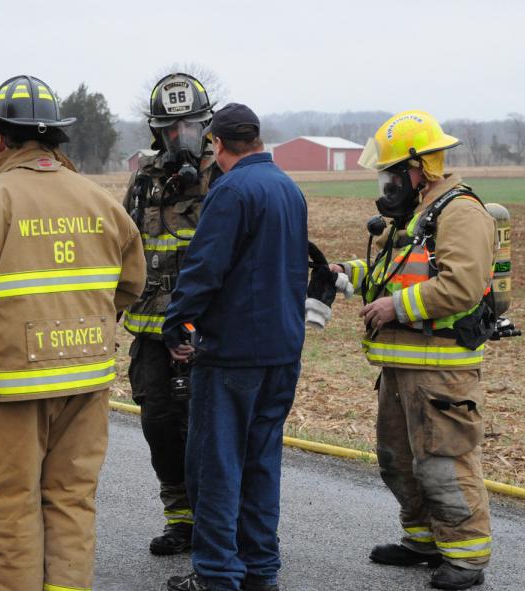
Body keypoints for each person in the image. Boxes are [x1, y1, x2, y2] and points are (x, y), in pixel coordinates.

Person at [0, 75, 146, 591]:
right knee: (71, 503)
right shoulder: (100, 200)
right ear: (55, 137)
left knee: (7, 513)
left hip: (6, 386)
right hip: (85, 379)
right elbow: (130, 285)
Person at [329, 111, 496, 590]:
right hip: (403, 365)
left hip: (441, 369)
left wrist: (396, 308)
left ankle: (466, 558)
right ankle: (422, 541)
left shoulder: (459, 211)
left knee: (443, 461)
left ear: (418, 168)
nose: (386, 183)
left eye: (391, 173)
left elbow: (461, 286)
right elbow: (392, 273)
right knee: (398, 460)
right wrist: (343, 273)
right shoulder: (417, 215)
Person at [162, 103, 308, 591]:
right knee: (262, 464)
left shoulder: (231, 191)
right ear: (259, 141)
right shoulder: (289, 189)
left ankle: (218, 574)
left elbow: (204, 270)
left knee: (217, 466)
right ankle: (260, 568)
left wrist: (175, 322)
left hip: (232, 356)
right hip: (283, 353)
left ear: (218, 145)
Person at [122, 72, 221, 555]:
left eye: (190, 127)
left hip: (206, 331)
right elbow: (124, 243)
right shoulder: (144, 179)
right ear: (156, 132)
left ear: (207, 126)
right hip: (149, 330)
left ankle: (216, 519)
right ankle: (179, 517)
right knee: (158, 425)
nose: (180, 138)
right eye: (170, 129)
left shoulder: (223, 176)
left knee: (205, 426)